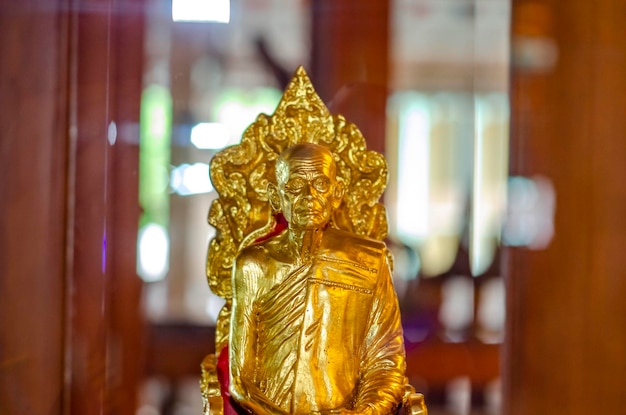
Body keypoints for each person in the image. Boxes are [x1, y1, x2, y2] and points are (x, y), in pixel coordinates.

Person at [229, 143, 406, 415]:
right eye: (295, 185)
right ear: (276, 197)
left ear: (337, 193)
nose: (310, 196)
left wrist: (366, 412)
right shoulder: (254, 265)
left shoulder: (369, 260)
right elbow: (240, 383)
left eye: (321, 184)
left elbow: (386, 361)